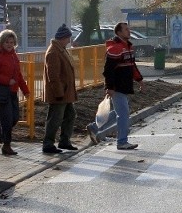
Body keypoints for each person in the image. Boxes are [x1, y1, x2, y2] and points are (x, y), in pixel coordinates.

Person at [87, 22, 143, 150]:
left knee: (121, 112)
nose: (129, 31)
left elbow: (132, 66)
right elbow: (108, 70)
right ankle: (122, 142)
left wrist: (139, 80)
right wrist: (109, 87)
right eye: (126, 29)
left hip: (124, 86)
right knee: (123, 114)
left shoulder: (128, 47)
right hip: (117, 87)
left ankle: (94, 127)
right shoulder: (115, 49)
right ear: (119, 33)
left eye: (129, 29)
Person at [0, 29, 30, 156]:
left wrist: (25, 90)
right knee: (7, 119)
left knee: (14, 118)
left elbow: (19, 75)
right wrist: (6, 81)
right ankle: (6, 145)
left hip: (13, 91)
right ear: (1, 42)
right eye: (7, 42)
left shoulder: (13, 55)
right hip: (2, 91)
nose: (9, 44)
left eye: (12, 42)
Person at [41, 24, 78, 154]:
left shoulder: (60, 49)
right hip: (59, 94)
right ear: (63, 38)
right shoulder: (54, 52)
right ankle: (48, 143)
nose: (69, 41)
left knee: (70, 115)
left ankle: (64, 141)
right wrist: (59, 93)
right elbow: (53, 76)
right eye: (68, 38)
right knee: (55, 119)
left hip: (65, 93)